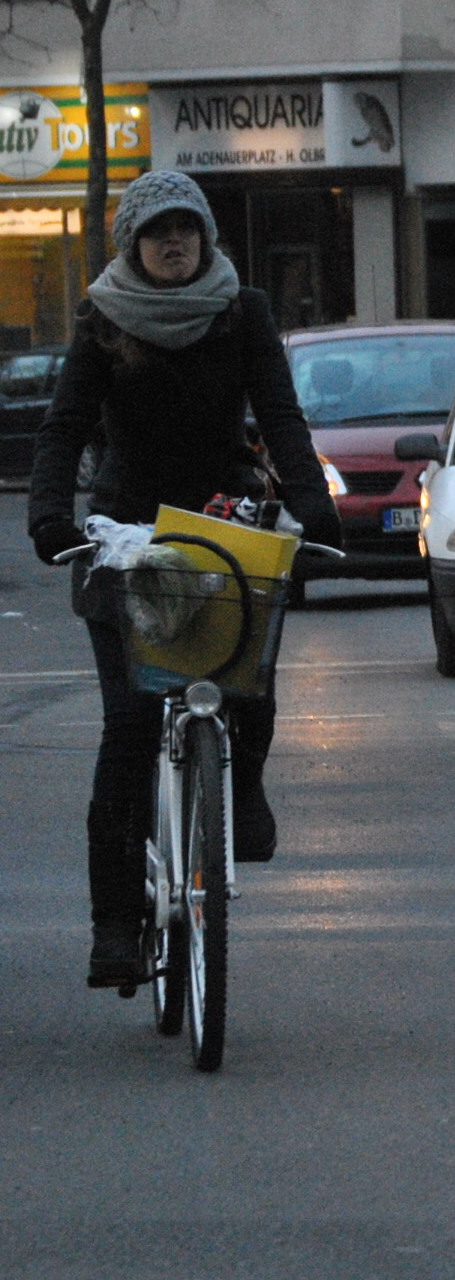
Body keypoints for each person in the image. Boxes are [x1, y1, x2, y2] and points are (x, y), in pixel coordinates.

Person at [25, 169, 342, 989]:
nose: (174, 242)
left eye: (187, 228)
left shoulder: (244, 310)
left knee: (249, 682)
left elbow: (281, 415)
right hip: (127, 531)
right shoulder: (101, 318)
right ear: (132, 245)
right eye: (158, 231)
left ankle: (244, 790)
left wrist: (312, 506)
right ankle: (114, 926)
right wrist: (50, 517)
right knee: (130, 724)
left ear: (206, 237)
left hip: (222, 515)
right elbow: (64, 428)